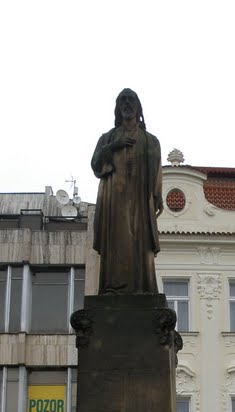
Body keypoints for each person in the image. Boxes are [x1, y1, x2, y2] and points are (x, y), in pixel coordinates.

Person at [91, 88, 163, 294]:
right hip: (115, 200)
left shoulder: (150, 140)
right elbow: (96, 164)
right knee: (118, 240)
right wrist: (114, 146)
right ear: (117, 108)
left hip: (141, 199)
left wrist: (157, 196)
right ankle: (114, 287)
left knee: (140, 241)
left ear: (138, 107)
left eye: (131, 100)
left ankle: (142, 287)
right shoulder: (107, 138)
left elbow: (157, 169)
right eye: (123, 100)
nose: (127, 103)